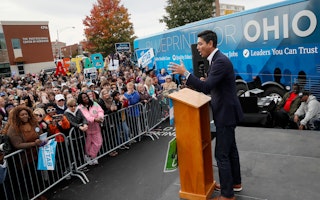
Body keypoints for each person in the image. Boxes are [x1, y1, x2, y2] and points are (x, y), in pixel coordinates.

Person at [169, 30, 243, 200]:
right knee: (231, 151)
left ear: (211, 44)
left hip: (226, 114)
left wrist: (185, 73)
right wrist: (205, 82)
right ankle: (234, 183)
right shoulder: (217, 60)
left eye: (201, 44)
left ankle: (227, 195)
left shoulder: (220, 61)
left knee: (221, 155)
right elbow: (212, 84)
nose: (198, 47)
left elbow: (207, 87)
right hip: (227, 112)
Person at [77, 92, 104, 164]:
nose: (86, 98)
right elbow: (85, 116)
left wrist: (100, 117)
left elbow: (100, 111)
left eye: (86, 97)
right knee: (88, 144)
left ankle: (92, 155)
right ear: (80, 99)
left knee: (98, 142)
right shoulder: (80, 107)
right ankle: (88, 156)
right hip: (87, 129)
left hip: (96, 127)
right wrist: (94, 119)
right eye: (84, 97)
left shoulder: (94, 103)